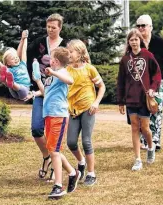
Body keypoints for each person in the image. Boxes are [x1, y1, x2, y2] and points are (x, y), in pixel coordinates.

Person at [24, 13, 68, 180]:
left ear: (60, 28)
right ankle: (46, 156)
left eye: (53, 27)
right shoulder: (39, 43)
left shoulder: (65, 45)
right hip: (41, 91)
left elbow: (72, 68)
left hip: (57, 96)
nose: (50, 30)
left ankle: (60, 172)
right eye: (48, 27)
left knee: (55, 137)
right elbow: (26, 58)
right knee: (36, 129)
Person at [33, 47, 80, 199]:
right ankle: (73, 173)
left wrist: (53, 72)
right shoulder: (51, 77)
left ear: (56, 61)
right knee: (54, 149)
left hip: (59, 116)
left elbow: (70, 81)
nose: (48, 60)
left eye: (51, 58)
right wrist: (37, 85)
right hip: (49, 116)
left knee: (54, 151)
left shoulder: (62, 73)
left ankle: (58, 186)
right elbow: (47, 93)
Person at [117, 28, 162, 171]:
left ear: (140, 41)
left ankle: (151, 147)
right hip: (131, 99)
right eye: (131, 40)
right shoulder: (125, 60)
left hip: (144, 98)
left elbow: (157, 74)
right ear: (128, 43)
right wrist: (121, 101)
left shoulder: (147, 55)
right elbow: (121, 81)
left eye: (136, 39)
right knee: (135, 128)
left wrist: (153, 88)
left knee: (145, 128)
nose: (134, 42)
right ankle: (137, 159)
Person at [135, 15, 163, 150]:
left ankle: (155, 140)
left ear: (150, 27)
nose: (141, 28)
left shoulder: (158, 42)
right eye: (138, 26)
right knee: (142, 110)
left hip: (158, 81)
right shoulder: (135, 42)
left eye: (144, 25)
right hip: (140, 83)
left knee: (156, 109)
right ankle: (144, 139)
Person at [66, 39, 106, 186]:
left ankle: (91, 173)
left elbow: (102, 87)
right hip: (73, 110)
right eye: (68, 52)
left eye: (71, 52)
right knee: (71, 142)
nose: (69, 54)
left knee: (86, 141)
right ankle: (81, 162)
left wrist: (96, 103)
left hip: (88, 108)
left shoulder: (89, 69)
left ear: (80, 53)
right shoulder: (67, 70)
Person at [0, 30, 31, 100]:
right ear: (8, 63)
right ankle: (6, 80)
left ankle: (9, 82)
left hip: (23, 89)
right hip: (13, 90)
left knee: (18, 87)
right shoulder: (9, 70)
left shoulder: (23, 64)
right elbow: (1, 65)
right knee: (6, 73)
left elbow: (24, 50)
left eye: (16, 57)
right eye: (12, 59)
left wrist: (25, 38)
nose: (15, 59)